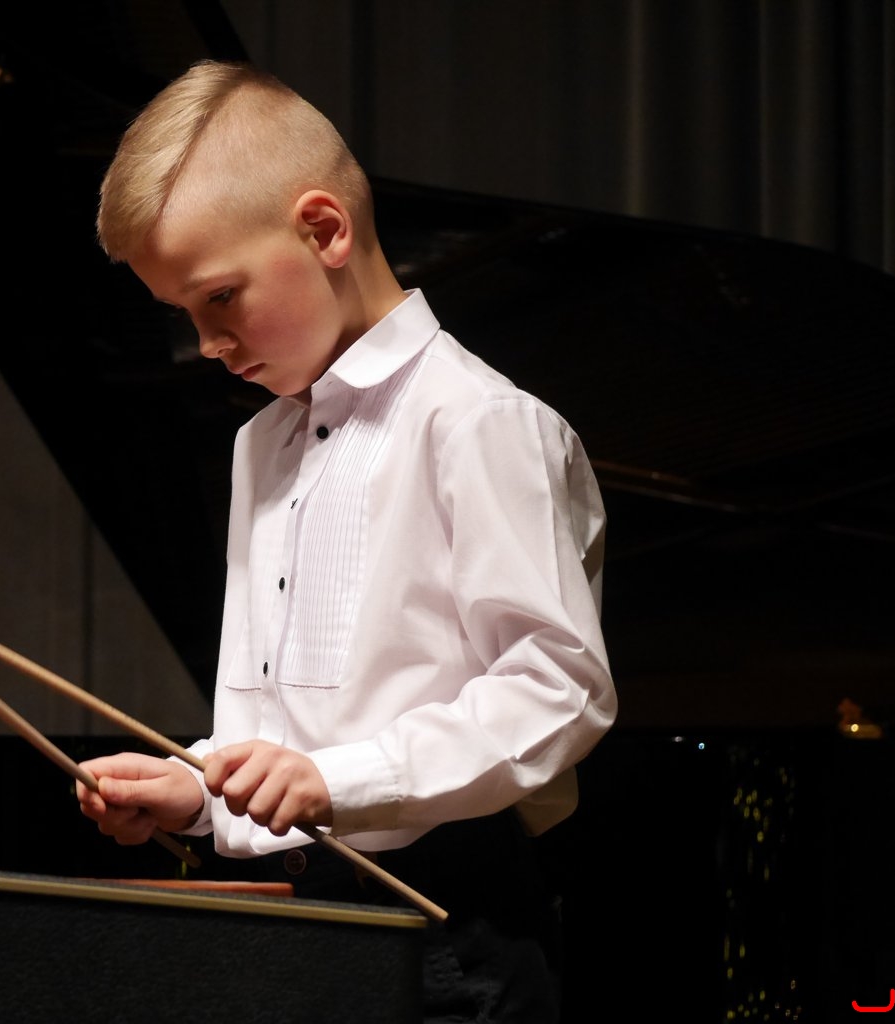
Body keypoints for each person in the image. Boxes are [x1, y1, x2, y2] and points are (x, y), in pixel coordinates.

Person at [75, 58, 616, 1022]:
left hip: (449, 929)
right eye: (184, 315)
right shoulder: (261, 444)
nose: (207, 344)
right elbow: (284, 733)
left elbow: (556, 690)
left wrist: (334, 781)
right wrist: (198, 790)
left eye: (219, 298)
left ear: (323, 230)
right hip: (298, 919)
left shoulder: (477, 423)